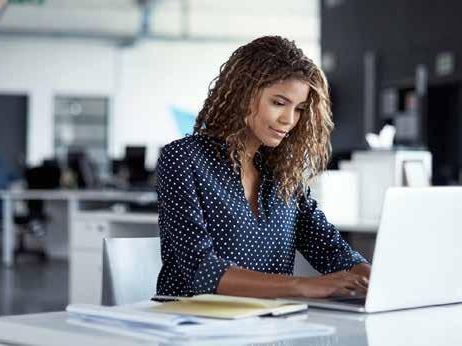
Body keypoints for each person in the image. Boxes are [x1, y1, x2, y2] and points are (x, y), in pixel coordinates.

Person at [156, 36, 371, 299]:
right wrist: (302, 285)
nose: (289, 120)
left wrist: (371, 277)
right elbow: (202, 271)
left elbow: (329, 249)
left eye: (300, 109)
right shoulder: (183, 158)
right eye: (278, 103)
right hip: (193, 325)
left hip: (269, 326)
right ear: (243, 95)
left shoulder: (282, 173)